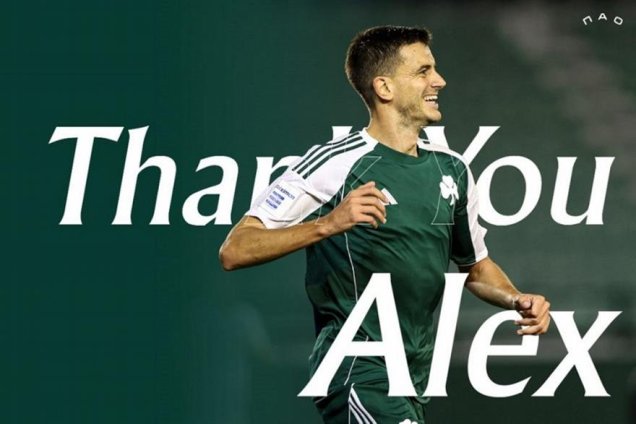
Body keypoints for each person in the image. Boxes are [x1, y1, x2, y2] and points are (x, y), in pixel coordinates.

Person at [219, 25, 550, 424]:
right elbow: (236, 249)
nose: (439, 81)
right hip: (356, 370)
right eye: (423, 71)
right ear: (384, 87)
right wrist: (328, 224)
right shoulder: (334, 163)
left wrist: (516, 299)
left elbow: (476, 267)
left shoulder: (453, 169)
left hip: (413, 379)